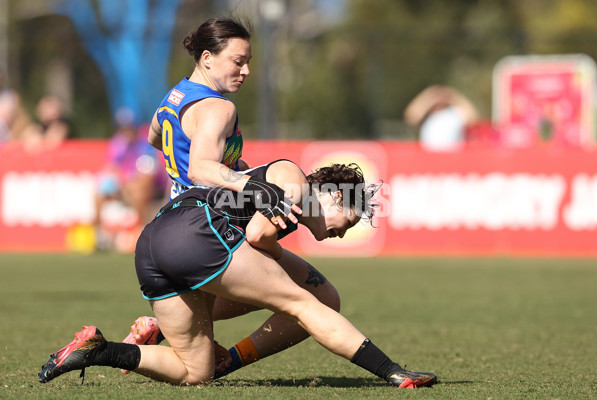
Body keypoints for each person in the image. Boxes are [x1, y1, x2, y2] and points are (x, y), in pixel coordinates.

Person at [38, 160, 437, 388]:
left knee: (195, 373)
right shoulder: (296, 184)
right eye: (346, 220)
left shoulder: (285, 190)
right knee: (303, 303)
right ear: (333, 193)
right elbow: (257, 233)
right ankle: (393, 372)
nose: (341, 232)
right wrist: (289, 274)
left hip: (153, 241)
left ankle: (99, 350)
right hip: (198, 232)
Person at [125, 16, 347, 379]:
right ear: (208, 57)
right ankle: (185, 337)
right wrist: (248, 183)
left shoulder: (175, 97)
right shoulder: (216, 106)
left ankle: (164, 329)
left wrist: (218, 165)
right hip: (213, 220)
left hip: (179, 220)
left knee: (245, 305)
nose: (245, 71)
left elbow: (154, 136)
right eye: (238, 61)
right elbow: (201, 167)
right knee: (316, 298)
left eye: (248, 62)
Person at [95, 107, 167, 251]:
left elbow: (147, 177)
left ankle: (139, 231)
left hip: (150, 188)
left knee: (139, 191)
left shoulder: (147, 145)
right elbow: (110, 169)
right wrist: (118, 185)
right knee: (99, 195)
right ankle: (100, 233)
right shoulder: (118, 144)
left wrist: (126, 186)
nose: (125, 132)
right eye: (122, 128)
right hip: (126, 187)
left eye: (128, 128)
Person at [404, 85, 479, 152]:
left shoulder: (455, 112)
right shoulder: (425, 115)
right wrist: (427, 97)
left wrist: (454, 96)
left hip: (452, 156)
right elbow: (411, 117)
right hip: (428, 156)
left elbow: (473, 119)